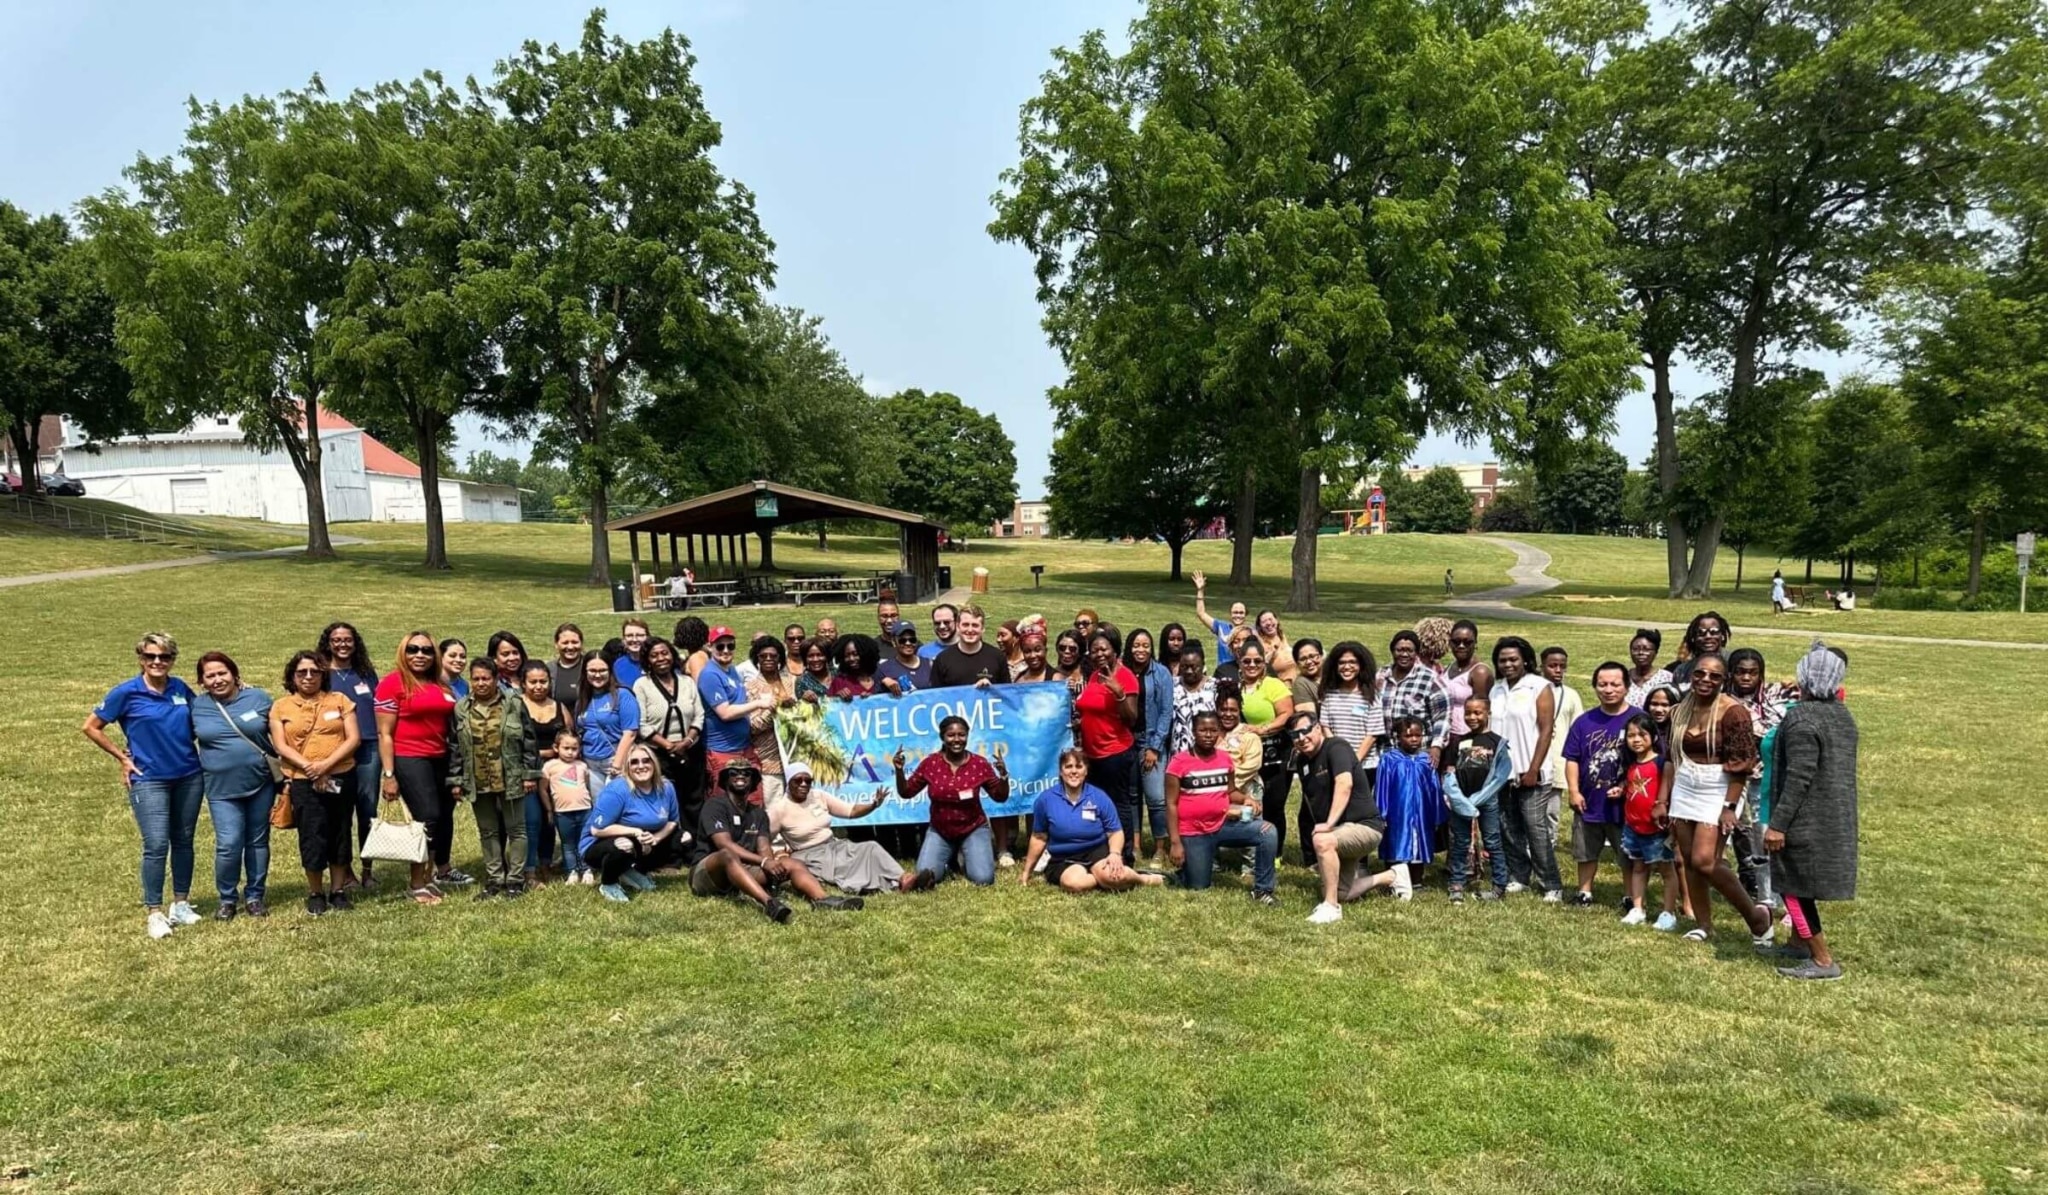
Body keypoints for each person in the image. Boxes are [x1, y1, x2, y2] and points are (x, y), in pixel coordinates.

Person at [1656, 651, 1775, 945]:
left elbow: (1743, 764)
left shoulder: (1733, 712)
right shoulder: (1681, 709)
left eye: (1714, 676)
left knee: (1705, 859)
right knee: (1688, 860)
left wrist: (1729, 807)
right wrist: (1663, 798)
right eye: (1700, 673)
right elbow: (1672, 757)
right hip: (1686, 784)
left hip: (1719, 787)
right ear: (1691, 674)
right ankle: (1704, 924)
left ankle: (1756, 917)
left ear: (1724, 680)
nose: (1705, 680)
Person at [1766, 641, 1859, 980]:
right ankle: (1797, 943)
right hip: (1833, 817)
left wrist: (1778, 824)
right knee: (1801, 882)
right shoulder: (1841, 715)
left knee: (1792, 887)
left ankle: (1822, 959)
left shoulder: (1802, 719)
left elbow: (1798, 778)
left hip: (1805, 819)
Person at [693, 759, 849, 919]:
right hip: (709, 874)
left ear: (753, 781)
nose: (741, 776)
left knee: (792, 863)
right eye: (734, 773)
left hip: (743, 870)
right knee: (728, 854)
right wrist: (763, 862)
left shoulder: (758, 813)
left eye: (747, 773)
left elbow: (763, 848)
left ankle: (822, 899)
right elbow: (723, 844)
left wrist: (771, 865)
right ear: (725, 780)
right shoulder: (714, 805)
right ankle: (770, 903)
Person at [375, 630, 464, 904]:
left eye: (426, 650)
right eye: (413, 649)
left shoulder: (440, 685)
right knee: (427, 816)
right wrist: (389, 775)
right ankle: (415, 882)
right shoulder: (392, 684)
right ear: (403, 652)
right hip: (410, 758)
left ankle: (427, 877)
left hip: (441, 758)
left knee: (441, 818)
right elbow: (384, 734)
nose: (420, 655)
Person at [272, 650, 360, 918]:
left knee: (340, 831)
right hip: (302, 780)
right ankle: (315, 892)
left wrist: (326, 765)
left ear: (323, 675)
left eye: (314, 671)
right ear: (292, 676)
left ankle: (338, 890)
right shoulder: (281, 706)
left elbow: (353, 738)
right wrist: (310, 767)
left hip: (340, 776)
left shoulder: (340, 700)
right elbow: (280, 744)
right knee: (312, 834)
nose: (309, 676)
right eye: (302, 672)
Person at [190, 651, 278, 921]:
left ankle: (254, 896)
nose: (217, 680)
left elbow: (282, 733)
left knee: (257, 841)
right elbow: (172, 735)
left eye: (222, 673)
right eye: (210, 676)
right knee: (229, 843)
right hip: (220, 788)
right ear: (202, 682)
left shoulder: (259, 698)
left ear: (235, 674)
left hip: (260, 783)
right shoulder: (197, 706)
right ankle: (227, 898)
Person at [1165, 710, 1278, 905]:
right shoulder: (1178, 763)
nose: (1208, 735)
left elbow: (1230, 791)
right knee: (1198, 887)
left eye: (1213, 730)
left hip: (1223, 824)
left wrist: (1246, 799)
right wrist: (1175, 843)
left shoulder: (1225, 759)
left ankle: (1262, 890)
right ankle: (1185, 871)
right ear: (1193, 731)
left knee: (1267, 832)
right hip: (1194, 832)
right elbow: (1171, 804)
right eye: (1203, 730)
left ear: (1219, 731)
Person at [1020, 749, 1166, 893]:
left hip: (1096, 852)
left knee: (1116, 876)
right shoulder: (1046, 800)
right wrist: (1026, 872)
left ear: (1086, 771)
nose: (1074, 771)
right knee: (1074, 884)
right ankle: (1103, 878)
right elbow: (1039, 837)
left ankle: (1143, 879)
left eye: (1079, 766)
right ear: (1060, 771)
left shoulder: (1099, 796)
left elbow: (1115, 831)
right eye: (1068, 766)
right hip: (1064, 857)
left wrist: (1114, 854)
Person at [451, 658, 535, 900]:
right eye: (475, 679)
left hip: (509, 775)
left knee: (517, 829)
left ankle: (516, 880)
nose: (480, 683)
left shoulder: (514, 703)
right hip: (478, 778)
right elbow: (455, 746)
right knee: (487, 831)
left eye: (485, 678)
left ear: (496, 679)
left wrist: (529, 774)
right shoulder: (461, 708)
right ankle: (495, 879)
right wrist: (456, 780)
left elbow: (529, 740)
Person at [895, 716, 1010, 887]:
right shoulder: (930, 763)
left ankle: (964, 853)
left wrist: (1003, 777)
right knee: (926, 875)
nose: (957, 739)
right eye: (951, 735)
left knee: (983, 879)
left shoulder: (979, 764)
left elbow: (1000, 797)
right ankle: (952, 855)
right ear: (942, 737)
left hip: (973, 828)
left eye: (961, 735)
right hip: (940, 830)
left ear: (967, 736)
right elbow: (906, 792)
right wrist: (899, 771)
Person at [1297, 713, 1387, 923]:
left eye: (1306, 730)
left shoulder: (1336, 747)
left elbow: (1344, 784)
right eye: (1295, 734)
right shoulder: (1302, 761)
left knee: (1322, 839)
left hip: (1365, 827)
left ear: (1318, 728)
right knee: (1342, 892)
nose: (1301, 737)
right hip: (1341, 831)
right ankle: (1391, 876)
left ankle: (1331, 907)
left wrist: (1328, 825)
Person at [1490, 636, 1561, 901]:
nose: (1508, 664)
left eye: (1513, 659)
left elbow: (1545, 731)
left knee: (1535, 828)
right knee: (1508, 828)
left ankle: (1551, 883)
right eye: (1502, 660)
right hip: (1502, 773)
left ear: (1525, 660)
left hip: (1532, 772)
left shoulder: (1539, 687)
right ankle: (1519, 876)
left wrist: (1533, 768)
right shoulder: (1496, 689)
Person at [1727, 646, 1796, 906]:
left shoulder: (1774, 694)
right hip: (1730, 776)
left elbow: (1815, 694)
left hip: (1764, 778)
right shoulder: (1723, 700)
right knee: (1731, 829)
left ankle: (1769, 895)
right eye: (1741, 672)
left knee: (1761, 833)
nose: (1746, 678)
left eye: (1753, 673)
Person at [1562, 661, 1634, 907]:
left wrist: (1626, 785)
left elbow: (1649, 759)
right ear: (1594, 687)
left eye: (1615, 684)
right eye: (1602, 684)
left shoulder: (1638, 719)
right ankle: (1585, 892)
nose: (1609, 689)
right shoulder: (1584, 722)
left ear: (1626, 687)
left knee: (1626, 852)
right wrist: (1573, 791)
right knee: (1585, 849)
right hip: (1589, 799)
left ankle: (1630, 895)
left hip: (1624, 804)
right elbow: (1572, 758)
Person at [769, 762, 904, 893]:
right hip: (809, 856)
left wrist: (873, 805)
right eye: (798, 780)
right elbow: (763, 840)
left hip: (834, 846)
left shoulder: (819, 796)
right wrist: (777, 855)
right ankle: (888, 884)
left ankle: (903, 878)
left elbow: (851, 811)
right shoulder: (779, 809)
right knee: (845, 866)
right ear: (788, 782)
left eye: (808, 780)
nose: (803, 784)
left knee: (871, 847)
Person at [317, 621, 381, 891]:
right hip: (334, 753)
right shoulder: (320, 674)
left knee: (367, 811)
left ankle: (368, 869)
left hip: (368, 749)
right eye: (336, 640)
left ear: (355, 643)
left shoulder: (366, 673)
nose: (342, 644)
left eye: (347, 639)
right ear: (328, 643)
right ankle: (345, 870)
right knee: (339, 812)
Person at [581, 744, 685, 903]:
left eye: (646, 761)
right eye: (634, 762)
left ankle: (634, 871)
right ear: (627, 767)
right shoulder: (617, 789)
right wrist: (635, 832)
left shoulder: (666, 787)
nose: (641, 766)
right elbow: (596, 830)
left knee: (684, 839)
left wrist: (656, 838)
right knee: (624, 844)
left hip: (641, 839)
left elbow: (672, 821)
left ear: (654, 763)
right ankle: (609, 883)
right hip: (598, 843)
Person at [1075, 629, 1143, 865]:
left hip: (1115, 753)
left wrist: (1119, 694)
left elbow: (1131, 719)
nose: (1099, 653)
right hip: (1091, 754)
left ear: (1115, 650)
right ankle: (1099, 849)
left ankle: (1125, 855)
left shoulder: (1126, 677)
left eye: (1104, 649)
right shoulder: (1094, 676)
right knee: (1094, 803)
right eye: (1094, 650)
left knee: (1119, 803)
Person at [1230, 642, 1297, 863]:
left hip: (1276, 752)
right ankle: (1252, 850)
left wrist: (1262, 729)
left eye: (1257, 661)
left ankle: (1275, 853)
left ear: (1264, 662)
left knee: (1274, 804)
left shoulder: (1273, 685)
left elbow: (1286, 714)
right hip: (1248, 756)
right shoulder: (1235, 687)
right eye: (1246, 660)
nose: (1252, 665)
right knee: (1250, 802)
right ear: (1239, 661)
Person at [1442, 695, 1512, 902]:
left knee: (1492, 841)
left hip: (1487, 801)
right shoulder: (1459, 741)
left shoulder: (1497, 743)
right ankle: (1457, 882)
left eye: (1477, 712)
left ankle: (1499, 885)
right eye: (1467, 713)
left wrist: (1478, 799)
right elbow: (1450, 773)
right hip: (1461, 802)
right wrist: (1458, 798)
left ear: (1488, 714)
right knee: (1460, 842)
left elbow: (1501, 774)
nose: (1472, 717)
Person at [1617, 714, 1680, 930]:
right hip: (1633, 826)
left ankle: (1668, 913)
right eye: (1631, 735)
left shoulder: (1663, 764)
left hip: (1657, 829)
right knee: (1638, 866)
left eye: (1642, 734)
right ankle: (1638, 908)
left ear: (1653, 737)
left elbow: (1668, 793)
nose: (1636, 740)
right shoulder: (1631, 765)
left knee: (1666, 870)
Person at [633, 637, 703, 823]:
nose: (661, 658)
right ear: (647, 660)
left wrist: (687, 741)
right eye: (654, 655)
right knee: (666, 800)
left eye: (665, 653)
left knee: (694, 800)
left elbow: (699, 715)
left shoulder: (687, 682)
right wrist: (669, 746)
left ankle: (695, 845)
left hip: (690, 750)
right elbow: (641, 723)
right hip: (660, 754)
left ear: (672, 655)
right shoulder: (642, 685)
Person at [1372, 716, 1441, 901]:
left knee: (1419, 846)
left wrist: (1436, 814)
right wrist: (1381, 813)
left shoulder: (1427, 760)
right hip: (1397, 814)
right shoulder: (1389, 759)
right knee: (1396, 844)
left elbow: (1434, 789)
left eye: (1418, 735)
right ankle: (1393, 881)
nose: (1414, 739)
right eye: (1408, 735)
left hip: (1421, 814)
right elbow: (1382, 788)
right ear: (1398, 737)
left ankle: (1417, 881)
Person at [519, 660, 572, 886]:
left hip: (555, 773)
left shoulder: (559, 707)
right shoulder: (516, 706)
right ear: (523, 683)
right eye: (533, 682)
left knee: (550, 820)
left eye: (543, 681)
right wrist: (545, 751)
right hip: (528, 772)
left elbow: (570, 736)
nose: (538, 686)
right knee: (532, 820)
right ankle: (529, 871)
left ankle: (546, 864)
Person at [1125, 628, 1176, 860]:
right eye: (1136, 645)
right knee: (1132, 796)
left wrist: (1155, 747)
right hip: (1126, 741)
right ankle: (1135, 845)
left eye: (1145, 645)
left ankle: (1159, 848)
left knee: (1156, 796)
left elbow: (1166, 712)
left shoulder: (1161, 673)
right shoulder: (1122, 670)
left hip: (1151, 740)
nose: (1141, 650)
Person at [1380, 630, 1451, 767]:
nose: (1404, 654)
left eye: (1409, 650)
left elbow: (1442, 717)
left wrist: (1436, 746)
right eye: (1399, 650)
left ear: (1416, 653)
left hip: (1418, 755)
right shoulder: (1381, 676)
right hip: (1387, 753)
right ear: (1392, 651)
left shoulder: (1430, 679)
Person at [744, 639, 797, 805]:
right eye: (763, 656)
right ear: (757, 659)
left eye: (773, 656)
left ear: (780, 658)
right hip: (768, 759)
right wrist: (773, 709)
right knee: (773, 808)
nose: (768, 659)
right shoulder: (750, 688)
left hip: (795, 755)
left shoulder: (792, 682)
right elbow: (752, 726)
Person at [576, 653, 640, 785]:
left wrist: (617, 764)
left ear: (610, 671)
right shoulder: (583, 698)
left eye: (602, 670)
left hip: (614, 760)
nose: (597, 675)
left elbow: (630, 733)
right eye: (592, 671)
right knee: (598, 804)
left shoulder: (622, 695)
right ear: (585, 672)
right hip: (590, 763)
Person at [542, 732, 596, 884]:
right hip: (562, 812)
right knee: (568, 844)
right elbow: (543, 789)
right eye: (566, 748)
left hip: (584, 809)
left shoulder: (582, 766)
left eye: (574, 748)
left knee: (584, 841)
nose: (570, 752)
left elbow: (586, 785)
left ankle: (586, 869)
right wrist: (548, 809)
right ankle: (571, 871)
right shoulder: (550, 766)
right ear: (556, 748)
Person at [929, 604, 1009, 689]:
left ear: (982, 629)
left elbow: (1007, 693)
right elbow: (936, 696)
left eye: (975, 625)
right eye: (965, 625)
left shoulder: (997, 657)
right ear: (958, 626)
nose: (970, 630)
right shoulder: (942, 659)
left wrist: (991, 689)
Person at [1443, 620, 1492, 739]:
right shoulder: (1448, 668)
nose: (1461, 646)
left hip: (1466, 736)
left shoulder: (1480, 672)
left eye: (1467, 642)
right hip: (1446, 734)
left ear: (1475, 644)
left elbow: (1482, 712)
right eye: (1456, 642)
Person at [1168, 644, 1218, 760]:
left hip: (1209, 753)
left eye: (1194, 667)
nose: (1189, 671)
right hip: (1178, 752)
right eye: (1185, 667)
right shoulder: (1171, 685)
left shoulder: (1215, 686)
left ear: (1203, 665)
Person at [1190, 571, 1247, 667]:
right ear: (1230, 614)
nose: (1238, 615)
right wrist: (1200, 590)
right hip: (1223, 671)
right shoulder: (1221, 627)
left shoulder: (1250, 632)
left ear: (1245, 615)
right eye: (1235, 612)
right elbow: (1201, 614)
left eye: (1241, 613)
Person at [1669, 612, 1731, 690]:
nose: (1708, 636)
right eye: (1701, 633)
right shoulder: (1682, 670)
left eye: (1714, 632)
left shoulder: (1733, 662)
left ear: (1722, 636)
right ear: (1694, 638)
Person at [879, 620, 934, 694]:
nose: (908, 643)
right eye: (902, 640)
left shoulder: (929, 665)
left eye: (912, 640)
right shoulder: (884, 669)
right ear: (893, 642)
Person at [1624, 629, 1673, 708]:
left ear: (1655, 652)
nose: (1640, 653)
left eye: (1646, 649)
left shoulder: (1667, 678)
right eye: (1635, 649)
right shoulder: (1623, 678)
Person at [828, 634, 881, 700]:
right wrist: (837, 698)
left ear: (866, 654)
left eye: (855, 654)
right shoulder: (839, 682)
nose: (851, 658)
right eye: (846, 656)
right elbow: (828, 706)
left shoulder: (881, 678)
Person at [547, 622, 585, 708]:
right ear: (556, 645)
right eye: (565, 643)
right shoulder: (549, 669)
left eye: (575, 642)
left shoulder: (589, 666)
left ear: (581, 643)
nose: (570, 647)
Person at [1253, 610, 1297, 681]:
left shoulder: (1280, 635)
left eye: (1270, 619)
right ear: (1260, 626)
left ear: (1276, 620)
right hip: (1283, 683)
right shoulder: (1260, 643)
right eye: (1264, 621)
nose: (1268, 623)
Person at [612, 617, 651, 688]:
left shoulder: (656, 662)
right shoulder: (618, 665)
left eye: (640, 635)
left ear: (648, 637)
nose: (635, 639)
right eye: (629, 635)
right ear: (623, 639)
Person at [795, 638, 833, 704]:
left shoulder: (838, 675)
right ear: (805, 659)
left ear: (827, 656)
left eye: (820, 655)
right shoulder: (802, 681)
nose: (815, 659)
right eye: (810, 656)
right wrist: (804, 699)